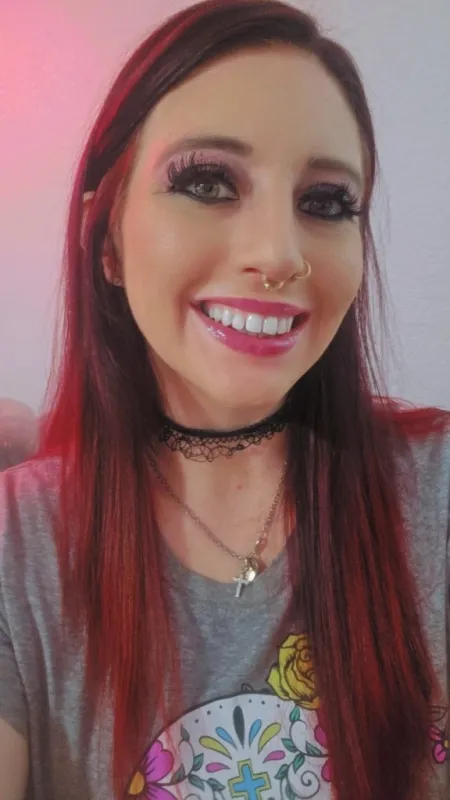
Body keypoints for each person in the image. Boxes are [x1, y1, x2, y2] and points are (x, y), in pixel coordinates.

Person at [0, 0, 448, 798]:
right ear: (106, 239)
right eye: (208, 183)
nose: (278, 254)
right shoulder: (16, 546)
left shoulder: (435, 489)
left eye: (326, 202)